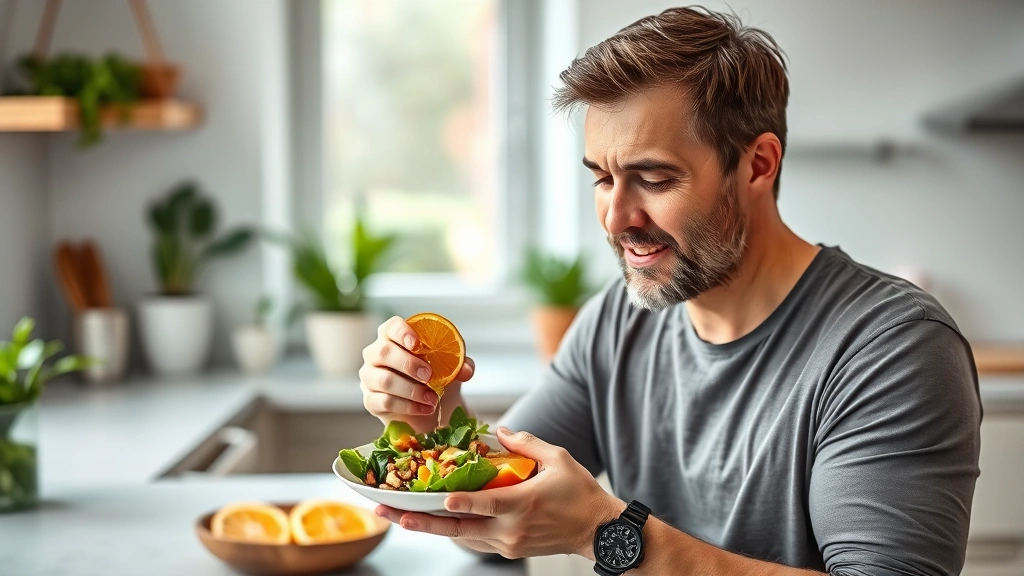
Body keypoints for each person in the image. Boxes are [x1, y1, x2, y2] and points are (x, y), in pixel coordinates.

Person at [358, 7, 981, 575]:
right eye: (603, 179)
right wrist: (432, 412)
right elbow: (494, 512)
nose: (615, 216)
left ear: (758, 165)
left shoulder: (892, 349)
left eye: (653, 178)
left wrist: (605, 532)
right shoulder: (616, 324)